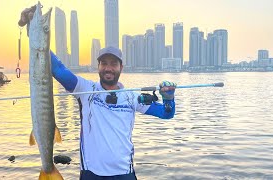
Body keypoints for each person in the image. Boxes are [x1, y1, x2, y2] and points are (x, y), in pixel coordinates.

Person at [19, 7, 177, 180]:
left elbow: (166, 113)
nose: (108, 68)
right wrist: (34, 31)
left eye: (113, 64)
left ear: (121, 67)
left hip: (124, 174)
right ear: (98, 66)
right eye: (104, 63)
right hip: (90, 174)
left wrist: (169, 98)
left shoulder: (132, 97)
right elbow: (57, 68)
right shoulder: (85, 90)